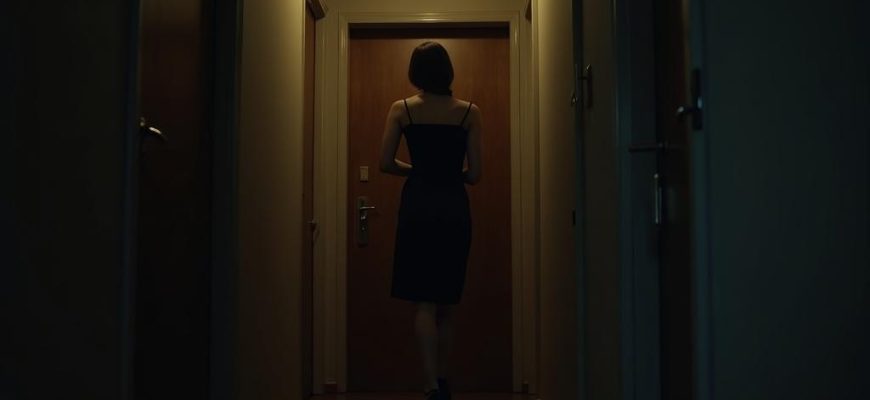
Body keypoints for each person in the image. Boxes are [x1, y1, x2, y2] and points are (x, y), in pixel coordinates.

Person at [379, 41, 482, 400]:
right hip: (453, 206)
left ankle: (430, 386)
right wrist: (450, 174)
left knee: (423, 301)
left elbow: (385, 163)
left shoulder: (402, 109)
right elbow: (475, 175)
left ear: (415, 72)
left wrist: (418, 170)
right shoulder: (469, 113)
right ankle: (443, 377)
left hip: (418, 205)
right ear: (447, 71)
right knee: (446, 302)